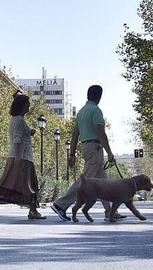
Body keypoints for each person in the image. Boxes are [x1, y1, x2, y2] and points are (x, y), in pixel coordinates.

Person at [52, 85, 121, 222]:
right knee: (85, 181)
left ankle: (111, 211)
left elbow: (75, 134)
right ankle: (60, 205)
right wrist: (109, 152)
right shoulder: (95, 110)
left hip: (86, 147)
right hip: (95, 148)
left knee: (104, 182)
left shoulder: (82, 112)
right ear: (99, 97)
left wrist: (72, 154)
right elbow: (100, 132)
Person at [0, 93, 45, 220]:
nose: (29, 105)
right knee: (15, 182)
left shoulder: (15, 120)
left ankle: (33, 210)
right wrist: (18, 157)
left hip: (20, 156)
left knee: (23, 183)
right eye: (27, 103)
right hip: (22, 156)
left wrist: (30, 132)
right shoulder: (19, 120)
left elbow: (20, 134)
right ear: (22, 105)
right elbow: (17, 138)